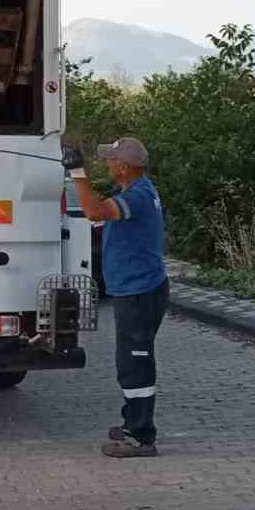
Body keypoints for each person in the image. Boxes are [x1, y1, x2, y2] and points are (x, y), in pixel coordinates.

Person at [64, 137, 168, 458]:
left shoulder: (136, 197)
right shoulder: (137, 191)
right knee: (131, 361)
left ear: (124, 167)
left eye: (111, 160)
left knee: (135, 364)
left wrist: (78, 174)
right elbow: (102, 214)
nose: (107, 163)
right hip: (138, 289)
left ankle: (141, 436)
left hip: (139, 293)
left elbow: (94, 210)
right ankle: (132, 422)